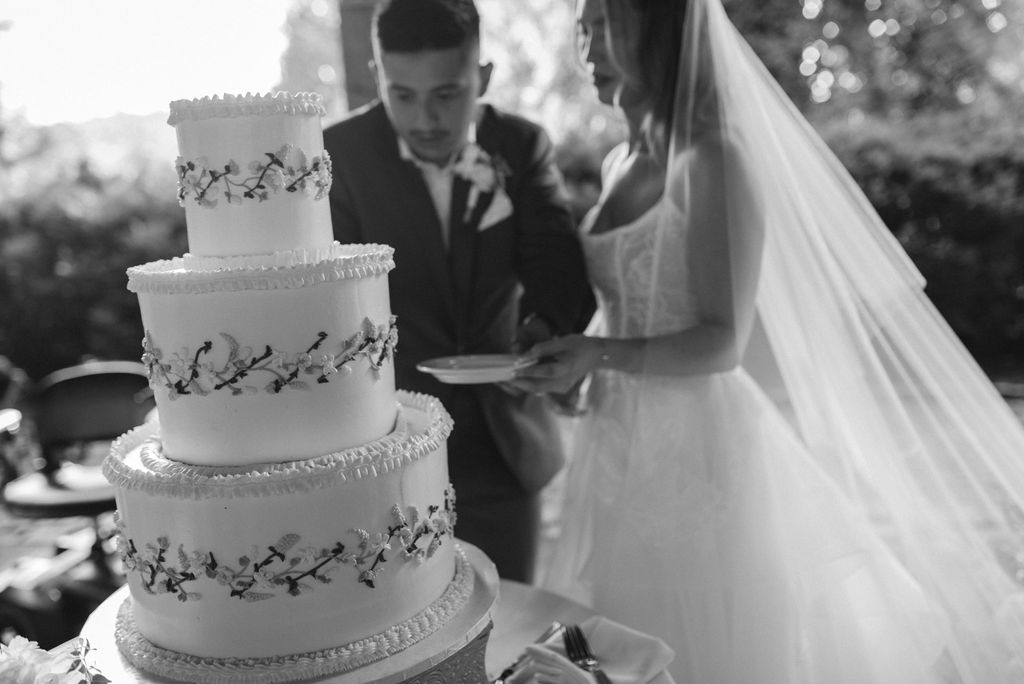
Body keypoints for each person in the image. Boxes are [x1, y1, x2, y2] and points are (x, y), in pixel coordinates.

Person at [510, 0, 1024, 681]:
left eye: (606, 27)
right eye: (583, 27)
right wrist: (572, 366)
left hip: (697, 452)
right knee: (626, 637)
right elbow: (628, 309)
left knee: (707, 641)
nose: (587, 48)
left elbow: (722, 341)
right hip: (614, 444)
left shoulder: (714, 159)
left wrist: (599, 354)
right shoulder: (617, 162)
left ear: (657, 32)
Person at [324, 0, 594, 583]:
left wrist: (546, 330)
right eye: (403, 94)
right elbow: (330, 298)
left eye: (447, 94)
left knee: (509, 620)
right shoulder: (336, 157)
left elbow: (556, 259)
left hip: (502, 443)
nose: (425, 118)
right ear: (377, 78)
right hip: (386, 448)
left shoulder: (520, 146)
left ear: (484, 79)